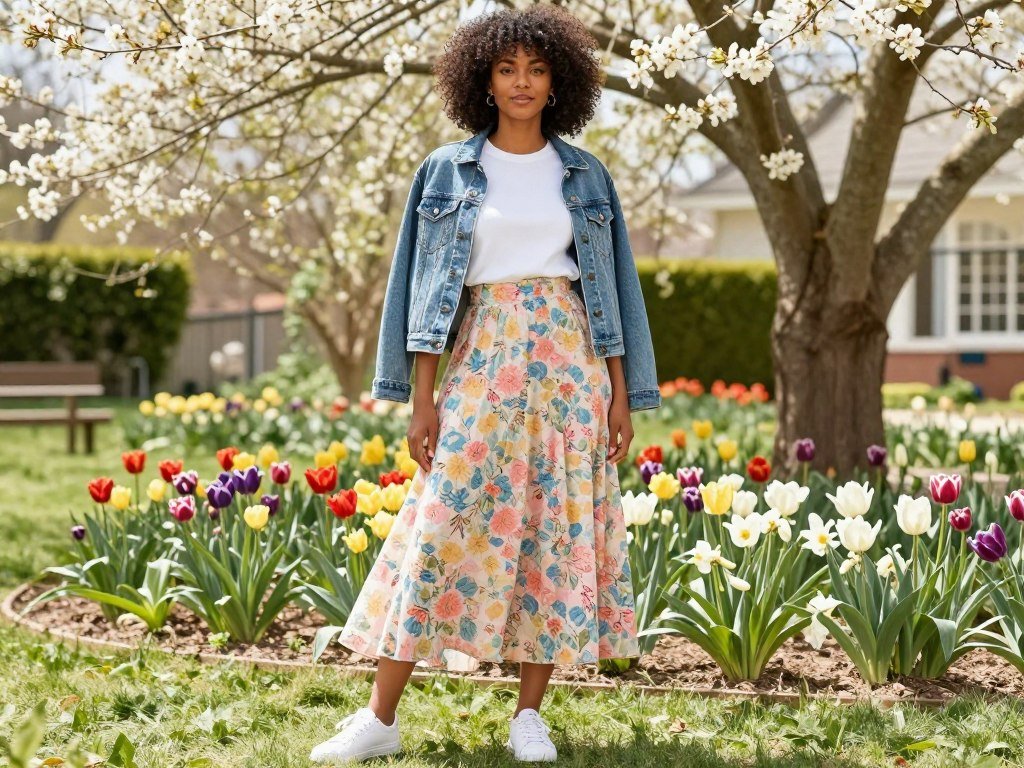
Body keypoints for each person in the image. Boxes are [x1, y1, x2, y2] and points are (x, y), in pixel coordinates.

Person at [310, 5, 660, 764]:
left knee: (554, 531)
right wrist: (421, 396)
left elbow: (616, 289)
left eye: (537, 69)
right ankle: (380, 716)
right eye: (508, 69)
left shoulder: (586, 175)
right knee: (440, 524)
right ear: (483, 78)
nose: (523, 83)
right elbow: (420, 287)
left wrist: (623, 394)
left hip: (570, 367)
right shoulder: (446, 172)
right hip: (481, 358)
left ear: (559, 79)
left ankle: (529, 714)